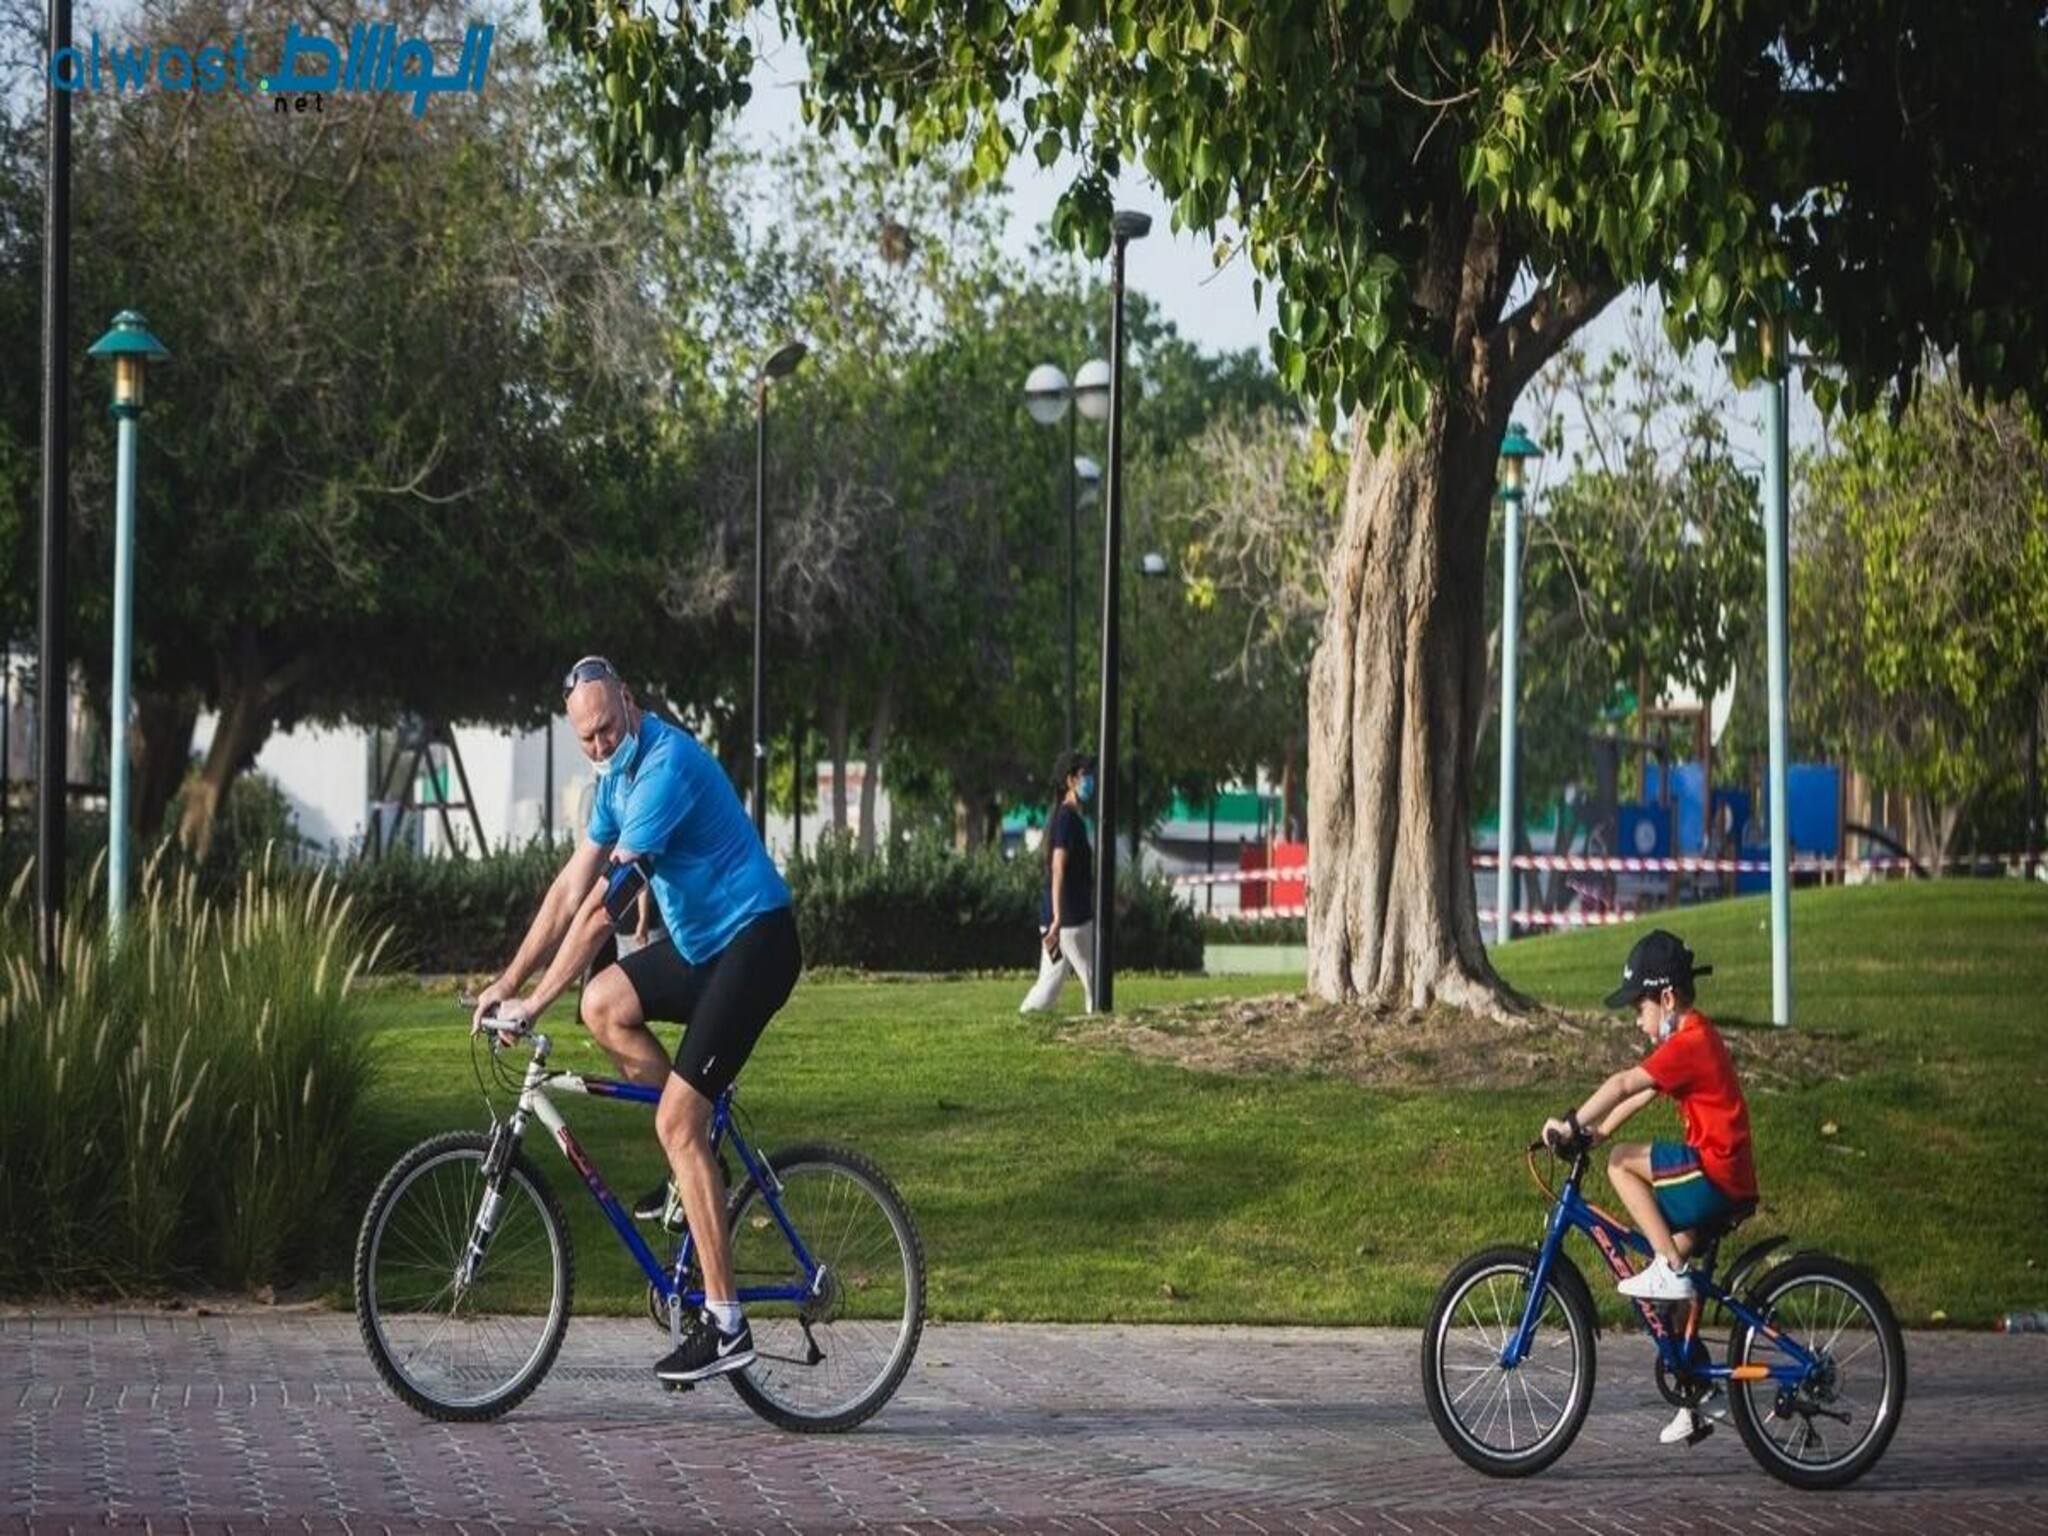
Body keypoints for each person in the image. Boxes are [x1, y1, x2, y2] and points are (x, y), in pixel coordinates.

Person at [472, 656, 801, 1385]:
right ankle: (699, 1165)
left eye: (607, 730)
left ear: (629, 700)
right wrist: (508, 979)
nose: (598, 747)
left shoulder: (662, 769)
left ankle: (726, 1325)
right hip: (707, 950)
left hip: (758, 943)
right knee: (603, 1004)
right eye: (585, 739)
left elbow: (605, 908)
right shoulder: (614, 779)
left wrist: (533, 1005)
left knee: (677, 1120)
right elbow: (570, 887)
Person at [1540, 927, 1758, 1446]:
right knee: (1667, 1294)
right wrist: (1599, 1129)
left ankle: (1671, 1267)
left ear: (1666, 998)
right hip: (1726, 1178)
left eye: (1639, 1009)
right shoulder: (1690, 1040)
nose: (1638, 1022)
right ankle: (1696, 1397)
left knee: (1620, 1166)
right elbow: (1638, 1097)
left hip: (1716, 1171)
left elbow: (1622, 1083)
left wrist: (1569, 1124)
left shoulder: (1691, 1040)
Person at [1018, 748, 1097, 1014]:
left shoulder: (1068, 818)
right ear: (1070, 780)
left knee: (1050, 981)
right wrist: (1058, 919)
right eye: (1085, 774)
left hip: (1055, 921)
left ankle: (1026, 1018)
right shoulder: (1067, 819)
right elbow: (1058, 867)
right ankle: (1101, 1028)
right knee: (1094, 978)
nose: (1091, 780)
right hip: (1070, 922)